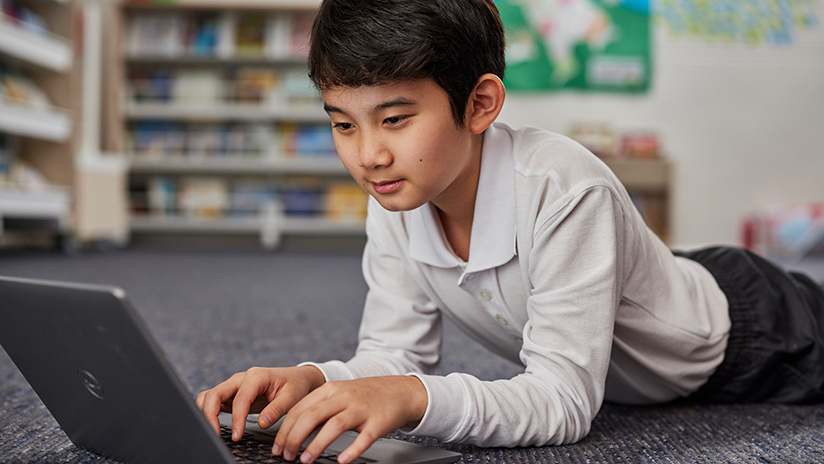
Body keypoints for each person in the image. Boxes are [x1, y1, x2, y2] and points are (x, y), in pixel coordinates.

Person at [196, 1, 824, 463]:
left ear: (480, 104)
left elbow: (563, 403)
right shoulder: (397, 194)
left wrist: (413, 398)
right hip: (653, 313)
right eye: (343, 125)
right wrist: (314, 379)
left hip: (754, 333)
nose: (368, 156)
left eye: (393, 119)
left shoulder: (565, 188)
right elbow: (392, 358)